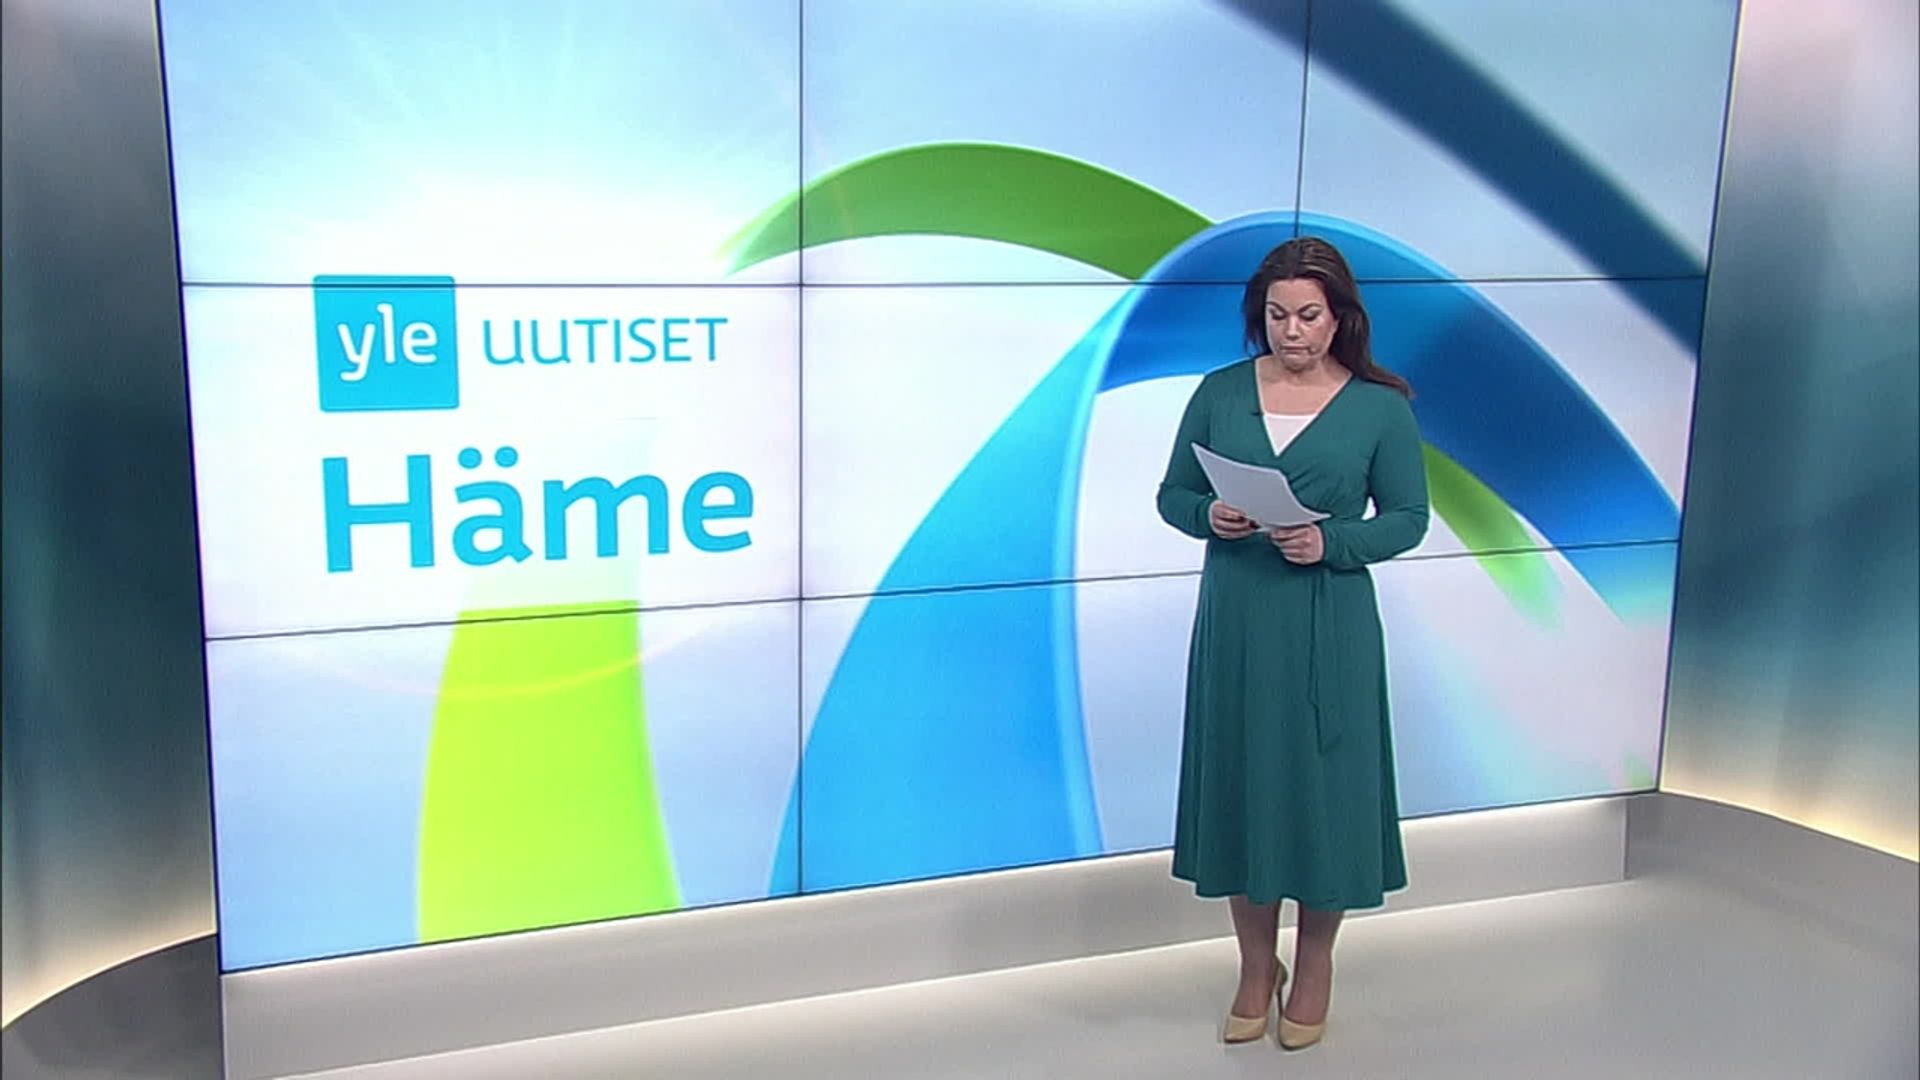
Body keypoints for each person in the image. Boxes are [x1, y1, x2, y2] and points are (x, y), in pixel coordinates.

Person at [1155, 236, 1430, 1051]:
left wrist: (1333, 541)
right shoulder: (1220, 393)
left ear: (1340, 317)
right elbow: (1173, 494)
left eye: (1308, 315)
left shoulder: (1381, 407)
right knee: (1244, 787)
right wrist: (1210, 515)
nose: (1292, 331)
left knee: (1323, 795)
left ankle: (1313, 966)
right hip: (1239, 620)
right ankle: (1254, 967)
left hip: (1328, 622)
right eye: (1277, 316)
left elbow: (1408, 519)